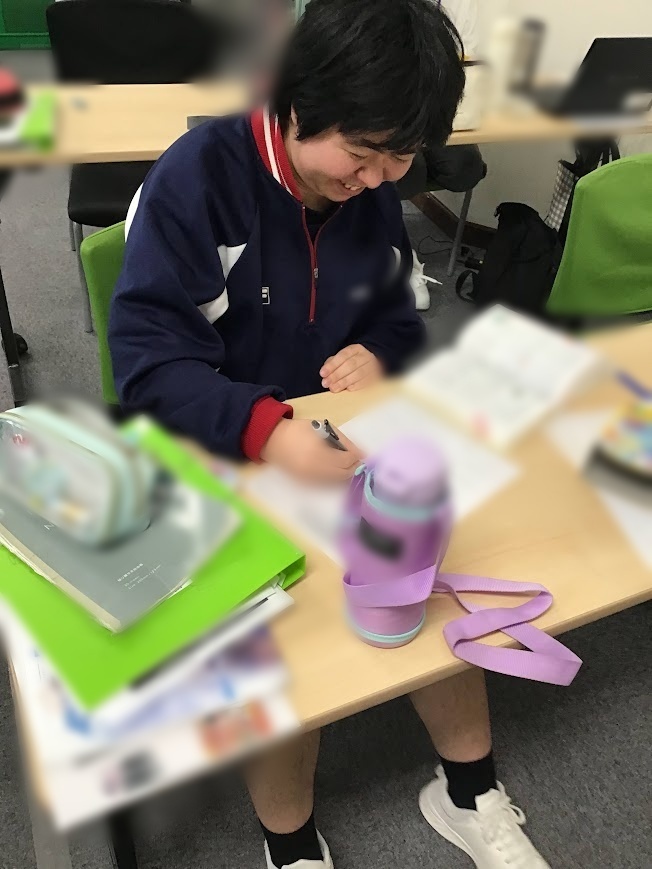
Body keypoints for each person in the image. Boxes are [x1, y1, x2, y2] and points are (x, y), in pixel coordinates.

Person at [109, 1, 549, 867]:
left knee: (423, 570)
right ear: (298, 102)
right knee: (278, 640)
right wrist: (266, 428)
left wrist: (380, 354)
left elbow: (400, 314)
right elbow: (148, 366)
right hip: (222, 440)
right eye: (364, 152)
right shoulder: (200, 181)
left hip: (337, 439)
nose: (381, 179)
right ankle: (290, 841)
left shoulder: (371, 190)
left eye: (402, 158)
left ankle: (468, 790)